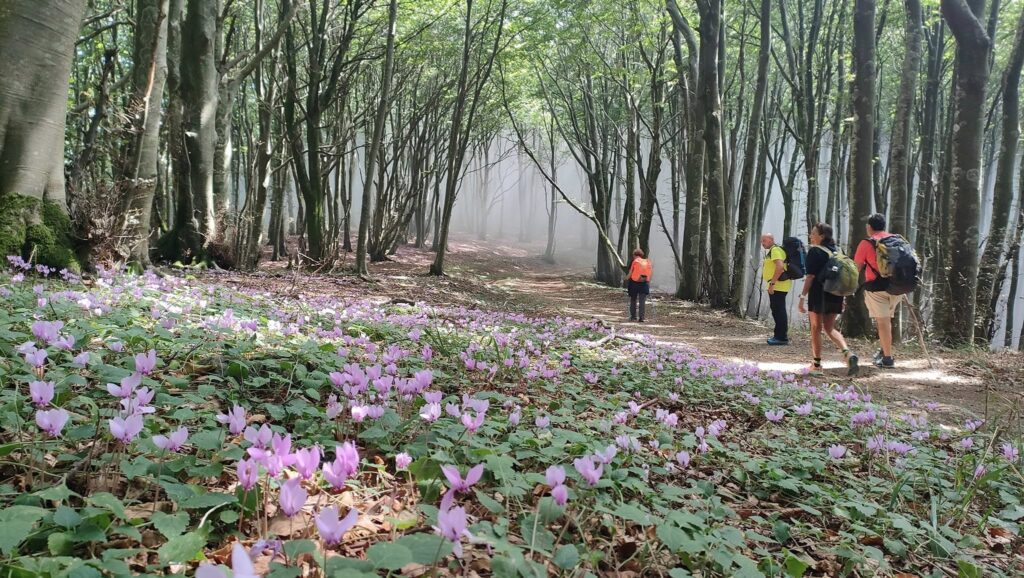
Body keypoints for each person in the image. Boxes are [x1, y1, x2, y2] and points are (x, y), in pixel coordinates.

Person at [799, 223, 859, 376]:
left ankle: (817, 365)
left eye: (813, 233)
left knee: (815, 328)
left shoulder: (814, 252)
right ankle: (848, 354)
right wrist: (843, 297)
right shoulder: (837, 251)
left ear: (822, 236)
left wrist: (802, 297)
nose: (810, 236)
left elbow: (811, 276)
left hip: (819, 294)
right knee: (829, 328)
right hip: (835, 294)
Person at [854, 213, 901, 368]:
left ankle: (888, 359)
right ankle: (884, 350)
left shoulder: (867, 243)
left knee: (883, 322)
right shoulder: (895, 239)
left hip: (877, 288)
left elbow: (856, 268)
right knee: (887, 321)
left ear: (869, 227)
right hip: (897, 287)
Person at [761, 233, 792, 345]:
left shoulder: (775, 250)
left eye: (764, 240)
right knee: (777, 310)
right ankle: (779, 335)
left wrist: (772, 283)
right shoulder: (775, 250)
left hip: (778, 285)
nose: (762, 243)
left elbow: (779, 267)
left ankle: (781, 337)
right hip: (779, 285)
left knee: (779, 310)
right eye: (762, 241)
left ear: (771, 240)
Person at [626, 248, 651, 323]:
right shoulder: (647, 261)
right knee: (642, 301)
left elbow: (630, 273)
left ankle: (633, 317)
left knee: (633, 299)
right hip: (644, 283)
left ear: (634, 255)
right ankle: (642, 318)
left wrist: (626, 278)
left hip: (634, 283)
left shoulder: (635, 261)